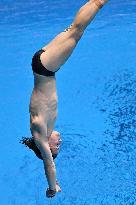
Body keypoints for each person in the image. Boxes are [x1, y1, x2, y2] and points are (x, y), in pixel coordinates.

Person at [29, 0, 108, 198]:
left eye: (57, 146)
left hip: (46, 67)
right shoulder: (42, 130)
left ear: (47, 146)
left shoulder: (39, 133)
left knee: (78, 30)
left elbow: (49, 164)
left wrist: (51, 187)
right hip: (43, 65)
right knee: (76, 29)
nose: (60, 140)